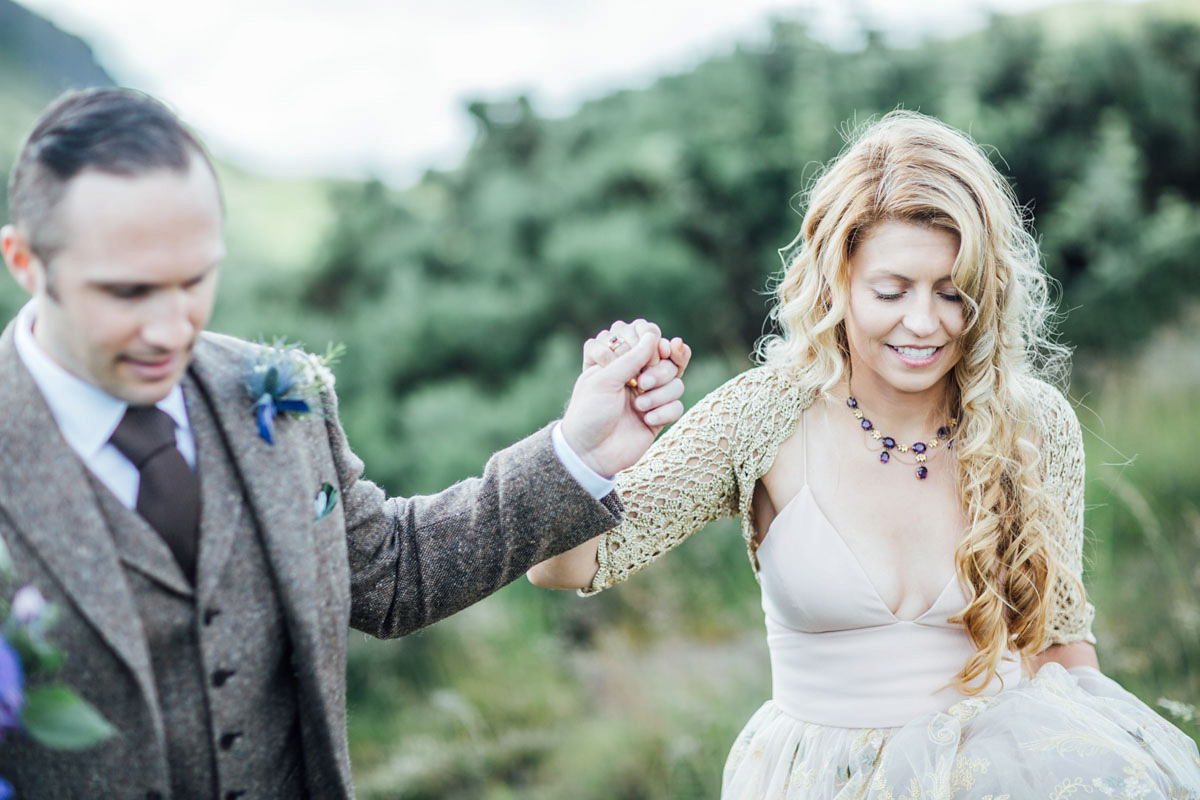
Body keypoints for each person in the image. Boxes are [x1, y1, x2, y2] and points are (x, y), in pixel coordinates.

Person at [0, 87, 691, 798]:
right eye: (127, 292)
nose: (172, 328)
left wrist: (579, 452)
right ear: (25, 261)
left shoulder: (278, 391)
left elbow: (392, 575)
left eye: (195, 279)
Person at [529, 111, 1200, 797]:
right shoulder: (761, 415)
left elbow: (1059, 643)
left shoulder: (1032, 422)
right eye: (891, 290)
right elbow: (566, 566)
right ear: (835, 281)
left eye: (952, 292)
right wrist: (590, 452)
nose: (923, 322)